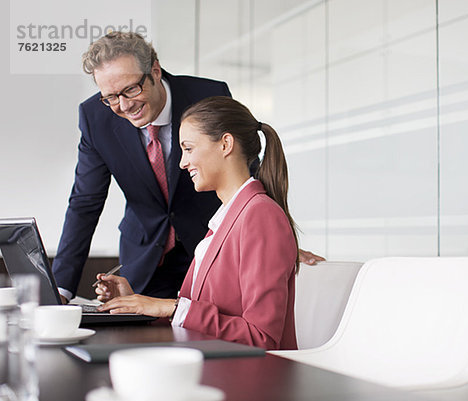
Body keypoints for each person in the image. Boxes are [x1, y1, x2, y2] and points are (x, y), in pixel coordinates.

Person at [52, 32, 323, 303]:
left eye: (131, 89)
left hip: (214, 249)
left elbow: (246, 174)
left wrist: (275, 240)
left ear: (155, 71)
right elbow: (84, 202)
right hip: (146, 260)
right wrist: (61, 290)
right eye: (110, 97)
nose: (124, 105)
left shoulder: (207, 96)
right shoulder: (95, 117)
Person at [96, 96, 298, 350]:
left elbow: (261, 337)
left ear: (225, 144)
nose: (182, 162)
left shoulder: (260, 215)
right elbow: (194, 320)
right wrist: (137, 305)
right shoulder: (226, 219)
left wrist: (169, 306)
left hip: (248, 378)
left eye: (188, 149)